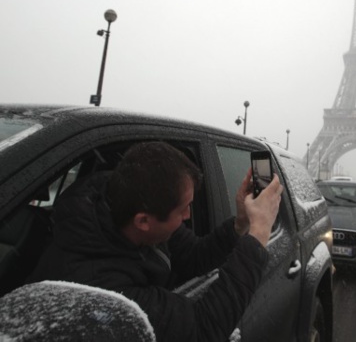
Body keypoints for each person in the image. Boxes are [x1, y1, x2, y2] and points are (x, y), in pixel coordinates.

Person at [29, 141, 283, 341]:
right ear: (143, 221)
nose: (188, 216)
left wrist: (240, 224)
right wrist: (259, 232)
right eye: (183, 208)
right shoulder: (103, 292)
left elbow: (194, 255)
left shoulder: (133, 212)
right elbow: (203, 329)